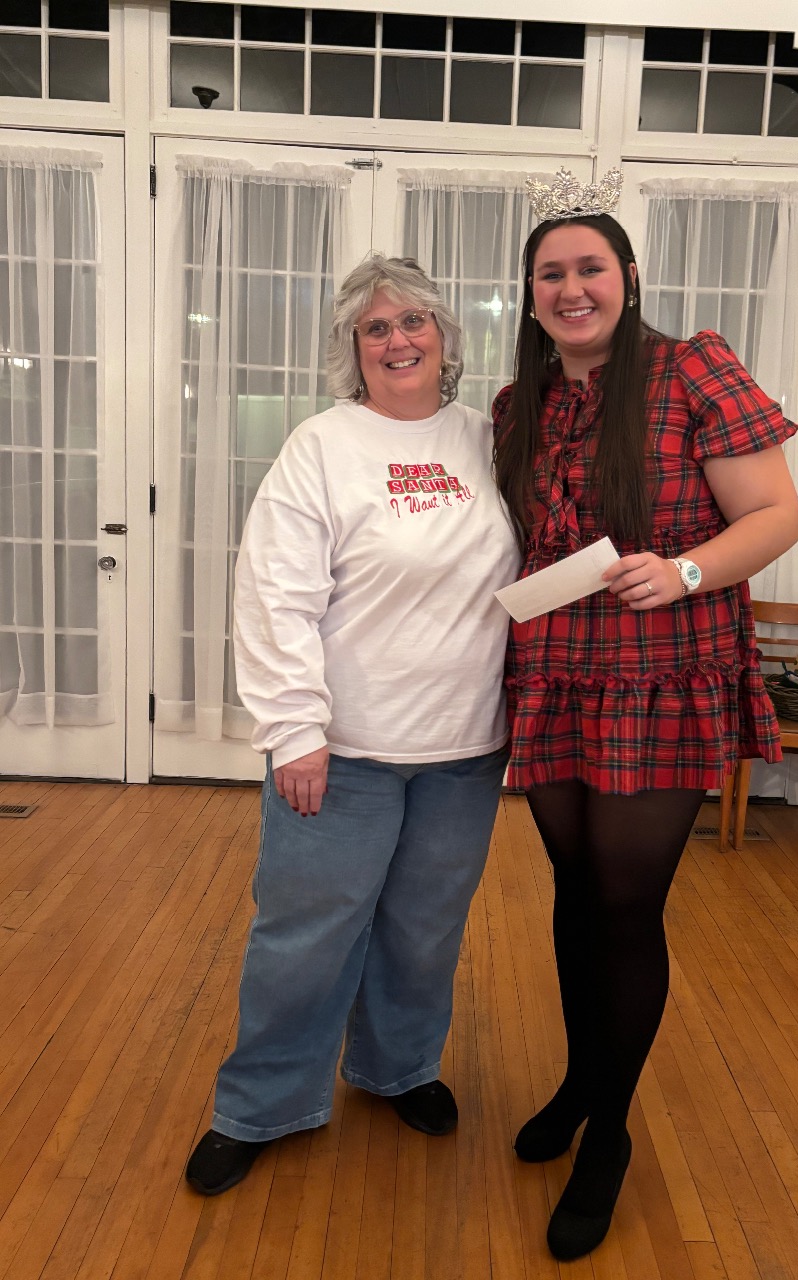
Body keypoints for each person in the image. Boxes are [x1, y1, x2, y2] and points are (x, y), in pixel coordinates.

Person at [492, 170, 798, 1261]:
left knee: (627, 903)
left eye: (590, 267)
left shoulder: (691, 369)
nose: (571, 288)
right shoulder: (519, 405)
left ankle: (610, 1133)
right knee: (576, 893)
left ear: (626, 275)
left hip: (663, 675)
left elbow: (777, 514)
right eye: (550, 274)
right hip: (556, 675)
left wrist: (684, 569)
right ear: (531, 295)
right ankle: (583, 1080)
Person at [185, 255, 520, 1196]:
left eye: (415, 321)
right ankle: (261, 1105)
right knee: (305, 936)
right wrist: (295, 730)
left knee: (425, 930)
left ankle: (397, 1068)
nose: (398, 340)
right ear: (353, 347)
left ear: (445, 336)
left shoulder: (489, 440)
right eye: (376, 327)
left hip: (464, 748)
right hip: (345, 752)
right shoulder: (323, 446)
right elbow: (275, 596)